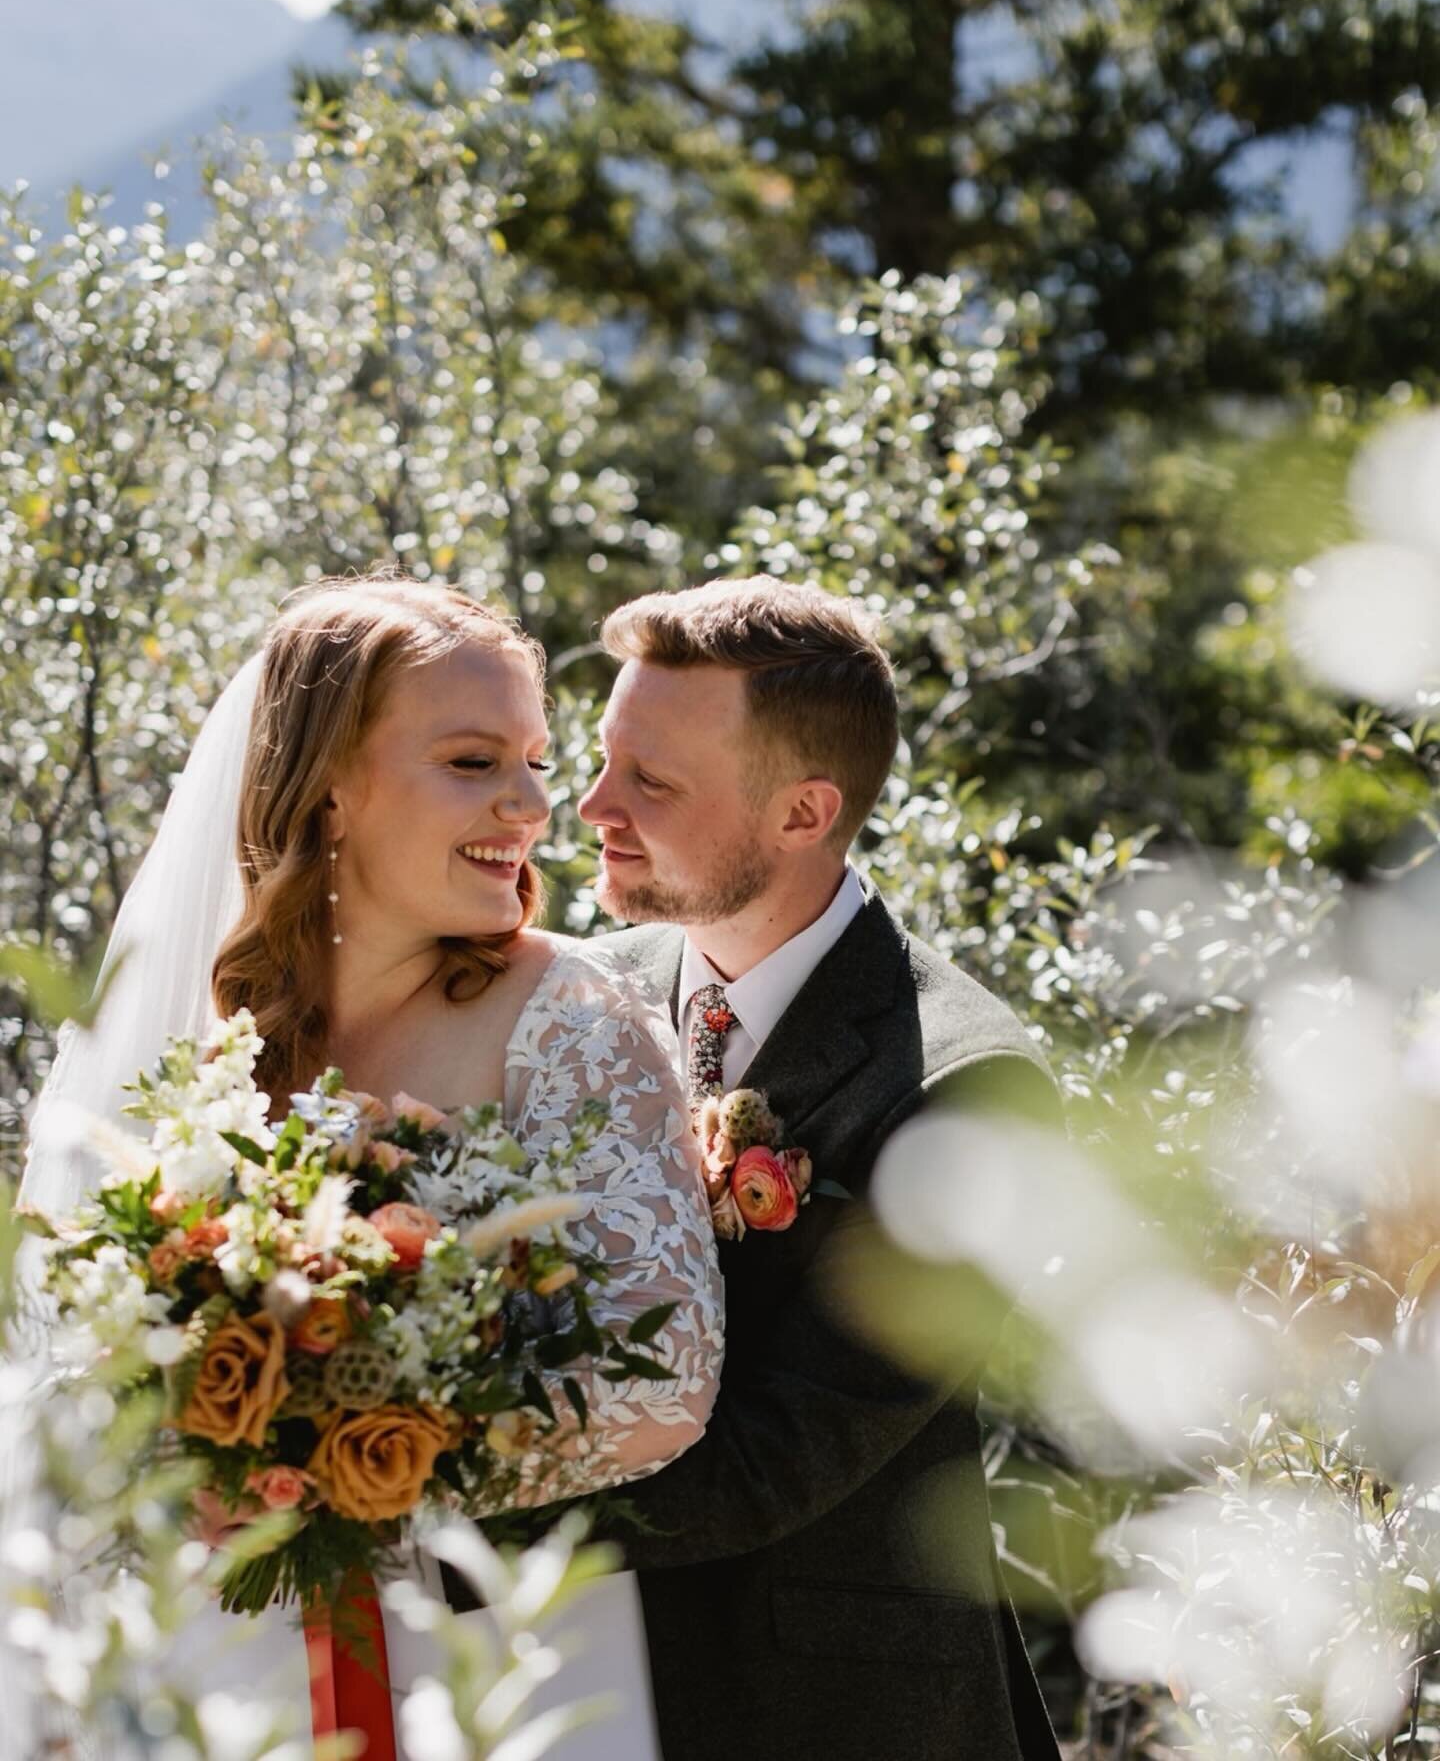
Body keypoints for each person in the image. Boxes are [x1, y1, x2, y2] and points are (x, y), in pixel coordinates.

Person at [16, 572, 724, 1760]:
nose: (530, 805)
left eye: (536, 761)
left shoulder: (572, 1019)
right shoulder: (206, 1044)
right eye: (470, 762)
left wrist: (334, 1462)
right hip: (221, 1652)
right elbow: (69, 1347)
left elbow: (669, 1383)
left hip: (483, 1658)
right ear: (330, 787)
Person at [569, 576, 1063, 1760]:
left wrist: (442, 1505)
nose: (594, 806)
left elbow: (777, 1457)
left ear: (803, 813)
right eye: (603, 760)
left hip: (826, 1712)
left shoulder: (969, 1087)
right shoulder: (579, 991)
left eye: (653, 783)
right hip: (577, 1676)